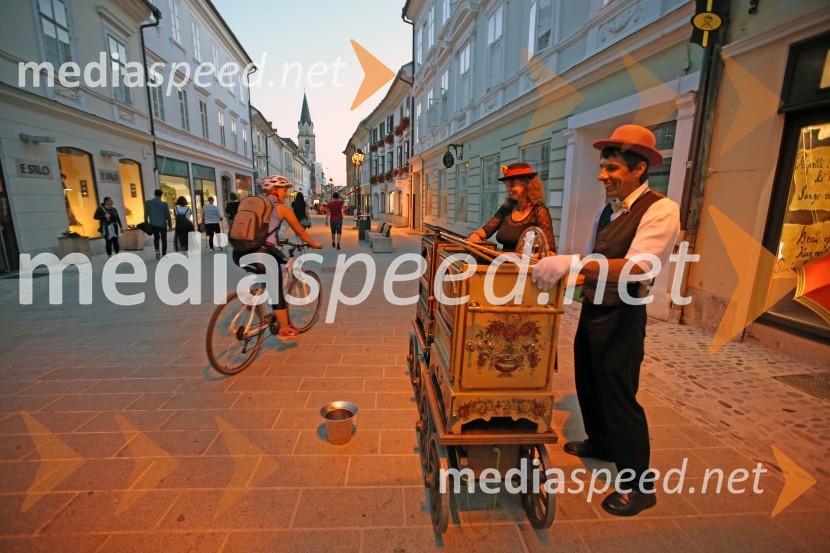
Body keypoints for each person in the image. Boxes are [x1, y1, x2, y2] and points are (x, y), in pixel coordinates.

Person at [531, 124, 680, 517]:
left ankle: (639, 485)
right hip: (594, 308)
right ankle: (602, 442)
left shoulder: (661, 209)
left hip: (624, 315)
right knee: (589, 382)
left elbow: (638, 267)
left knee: (619, 395)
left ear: (640, 169)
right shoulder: (607, 210)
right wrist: (556, 274)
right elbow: (591, 261)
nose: (602, 176)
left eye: (612, 168)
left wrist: (573, 263)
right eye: (602, 167)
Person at [233, 175, 322, 338]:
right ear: (274, 190)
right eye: (284, 190)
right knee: (277, 288)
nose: (286, 194)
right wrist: (315, 244)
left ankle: (256, 297)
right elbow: (300, 231)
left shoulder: (256, 205)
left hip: (238, 251)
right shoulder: (281, 208)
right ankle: (284, 329)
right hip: (261, 254)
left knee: (274, 265)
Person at [467, 162, 557, 253]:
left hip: (526, 266)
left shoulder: (540, 211)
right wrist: (475, 235)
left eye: (512, 185)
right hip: (502, 263)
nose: (508, 189)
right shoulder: (507, 208)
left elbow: (550, 252)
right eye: (507, 186)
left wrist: (526, 258)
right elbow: (487, 230)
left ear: (527, 184)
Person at [144, 189, 171, 259]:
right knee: (164, 239)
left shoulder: (148, 203)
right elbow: (168, 215)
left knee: (156, 238)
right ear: (161, 195)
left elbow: (146, 213)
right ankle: (164, 254)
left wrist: (146, 221)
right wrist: (170, 225)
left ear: (154, 194)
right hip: (162, 224)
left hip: (153, 224)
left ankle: (157, 253)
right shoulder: (164, 204)